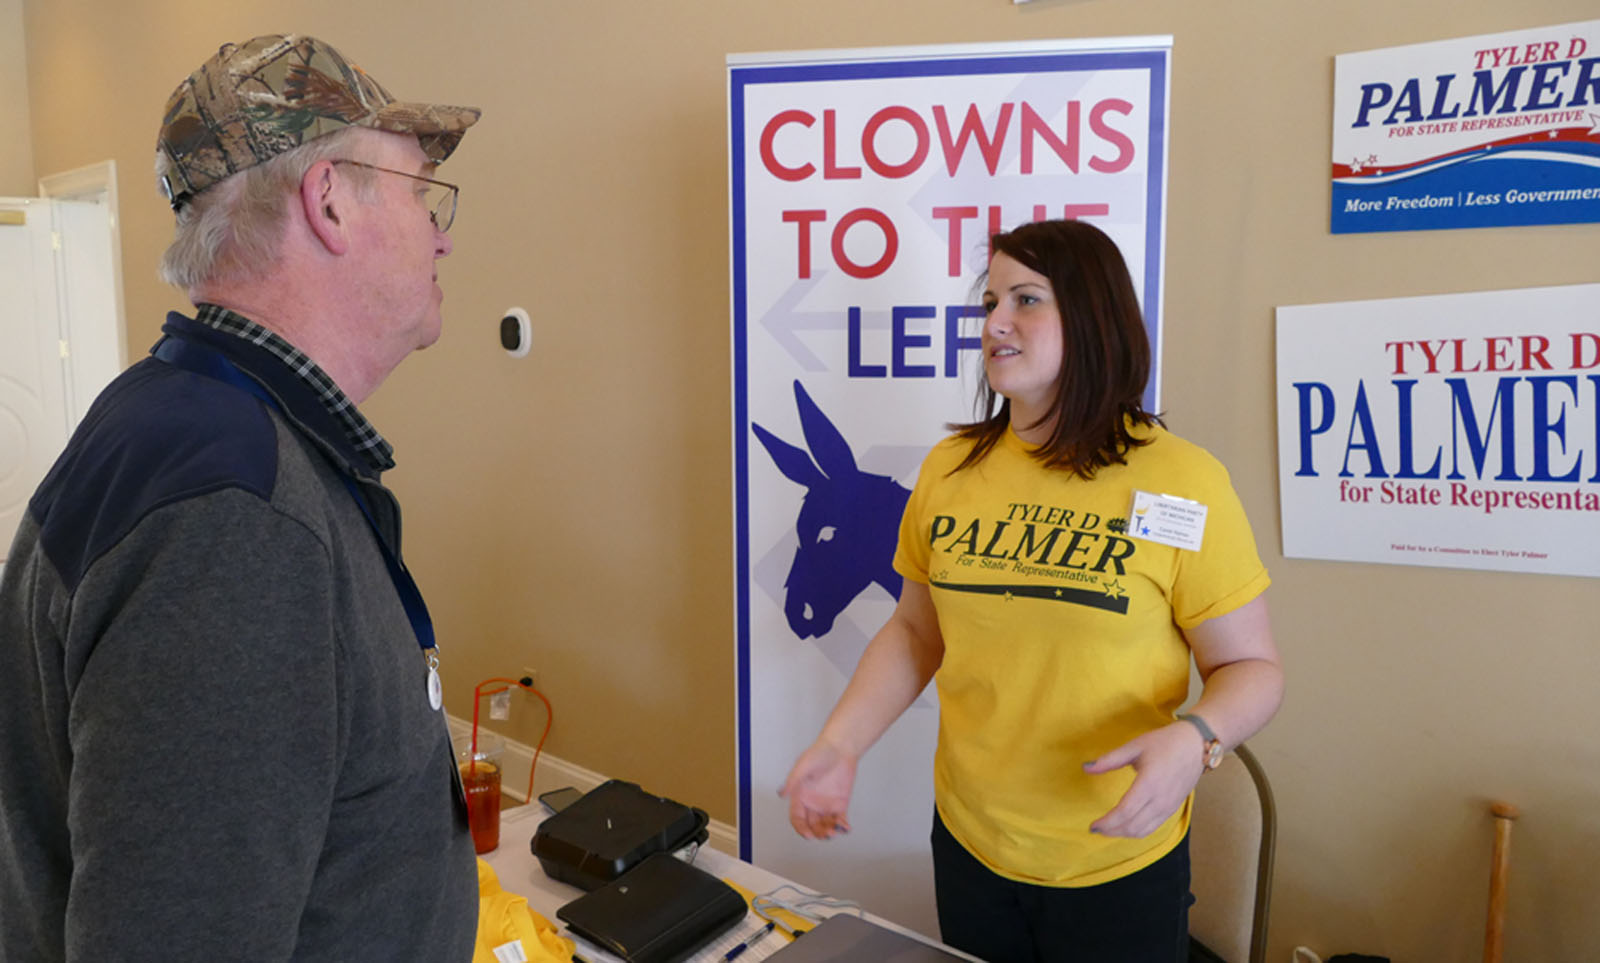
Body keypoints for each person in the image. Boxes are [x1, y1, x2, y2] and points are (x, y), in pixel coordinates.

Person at [0, 35, 482, 961]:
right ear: (330, 199)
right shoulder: (230, 517)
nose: (442, 231)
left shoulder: (183, 420)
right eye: (422, 194)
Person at [780, 220, 1284, 962]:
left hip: (1113, 861)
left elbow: (1254, 669)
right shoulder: (951, 469)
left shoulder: (1182, 480)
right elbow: (919, 632)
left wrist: (1197, 739)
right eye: (989, 302)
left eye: (1025, 299)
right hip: (971, 846)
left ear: (1091, 317)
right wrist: (840, 742)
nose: (995, 323)